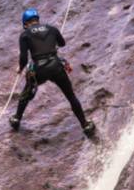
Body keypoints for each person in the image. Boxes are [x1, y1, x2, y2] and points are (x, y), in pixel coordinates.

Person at [9, 8, 96, 137]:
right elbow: (62, 43)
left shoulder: (25, 34)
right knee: (71, 96)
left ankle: (16, 119)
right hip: (56, 66)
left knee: (26, 92)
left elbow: (24, 58)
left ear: (25, 23)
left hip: (39, 70)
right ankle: (85, 125)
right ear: (37, 19)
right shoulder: (51, 28)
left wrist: (21, 68)